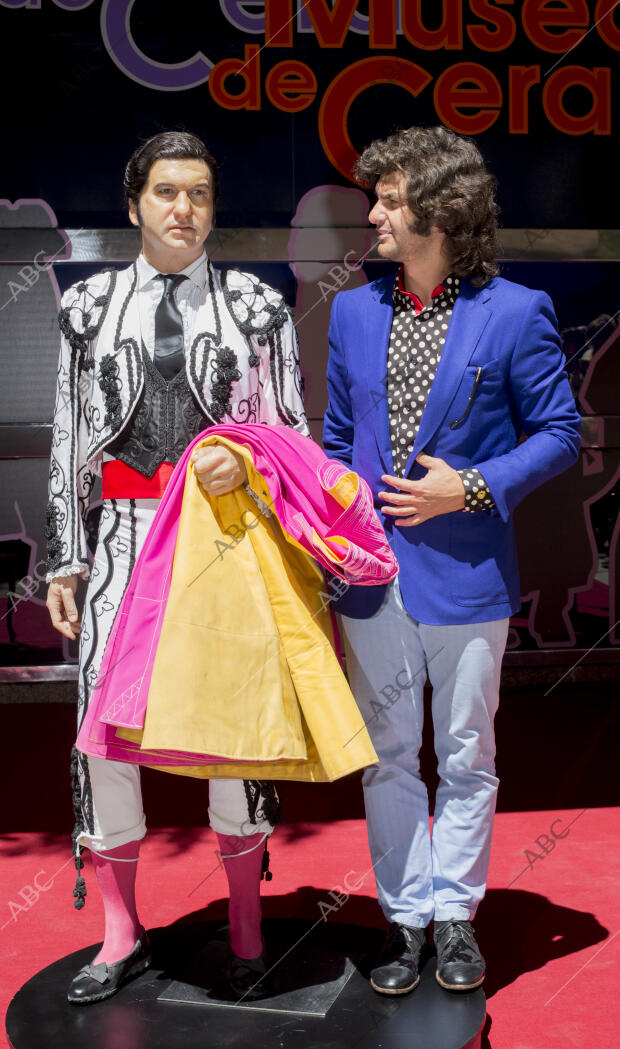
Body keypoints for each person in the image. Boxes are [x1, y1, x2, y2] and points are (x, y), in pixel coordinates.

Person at [45, 130, 306, 1004]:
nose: (183, 209)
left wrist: (255, 464)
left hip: (225, 541)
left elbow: (295, 437)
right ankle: (120, 931)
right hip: (119, 535)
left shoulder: (260, 305)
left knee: (230, 729)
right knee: (104, 731)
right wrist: (65, 558)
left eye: (198, 193)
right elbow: (67, 439)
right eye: (165, 192)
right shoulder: (83, 307)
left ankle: (242, 918)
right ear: (133, 204)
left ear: (213, 207)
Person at [323, 126, 581, 995]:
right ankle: (403, 919)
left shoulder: (516, 311)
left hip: (469, 572)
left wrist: (467, 487)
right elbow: (333, 441)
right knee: (390, 754)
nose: (375, 213)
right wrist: (335, 511)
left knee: (466, 753)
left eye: (391, 199)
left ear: (442, 209)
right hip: (370, 578)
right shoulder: (356, 311)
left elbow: (560, 435)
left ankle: (454, 916)